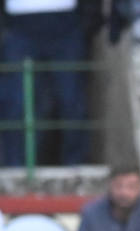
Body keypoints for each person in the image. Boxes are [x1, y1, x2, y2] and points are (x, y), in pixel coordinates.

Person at [0, 0, 103, 167]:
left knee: (71, 99)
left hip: (67, 24)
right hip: (17, 26)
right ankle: (15, 165)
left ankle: (76, 165)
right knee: (16, 101)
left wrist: (88, 22)